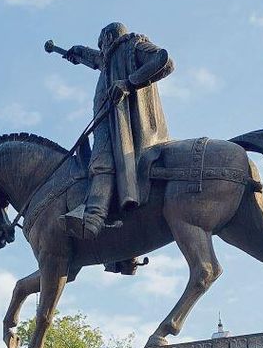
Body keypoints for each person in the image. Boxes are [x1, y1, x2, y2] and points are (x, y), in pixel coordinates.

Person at [54, 22, 174, 240]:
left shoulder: (132, 45)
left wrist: (129, 82)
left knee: (102, 162)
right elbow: (96, 59)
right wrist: (77, 53)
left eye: (101, 44)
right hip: (107, 122)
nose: (101, 50)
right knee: (99, 162)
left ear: (108, 39)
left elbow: (164, 61)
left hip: (118, 125)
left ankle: (93, 217)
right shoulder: (110, 59)